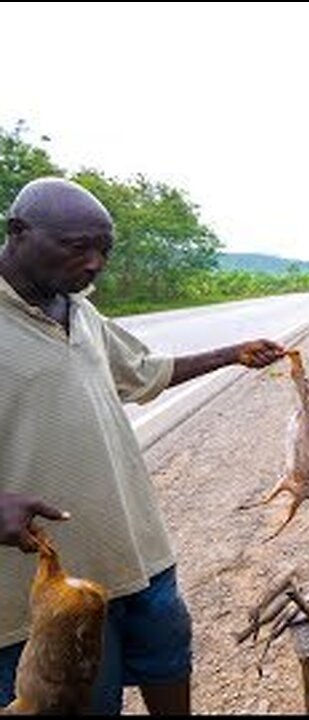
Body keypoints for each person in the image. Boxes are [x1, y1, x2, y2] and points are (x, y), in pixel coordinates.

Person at [0, 177, 287, 715]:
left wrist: (232, 354)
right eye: (76, 246)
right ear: (18, 232)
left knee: (168, 663)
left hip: (138, 552)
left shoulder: (79, 311)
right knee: (81, 700)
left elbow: (140, 372)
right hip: (46, 593)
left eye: (104, 250)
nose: (94, 264)